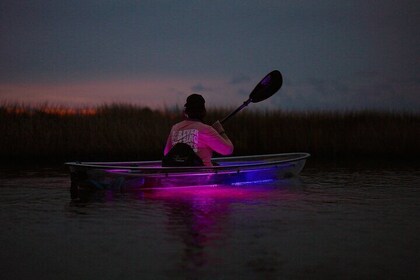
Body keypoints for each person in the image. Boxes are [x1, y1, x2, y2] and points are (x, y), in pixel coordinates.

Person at [163, 94, 233, 166]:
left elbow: (166, 153)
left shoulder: (175, 128)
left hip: (179, 175)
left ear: (186, 111)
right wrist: (220, 131)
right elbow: (228, 150)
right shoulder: (206, 129)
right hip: (203, 176)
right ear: (204, 111)